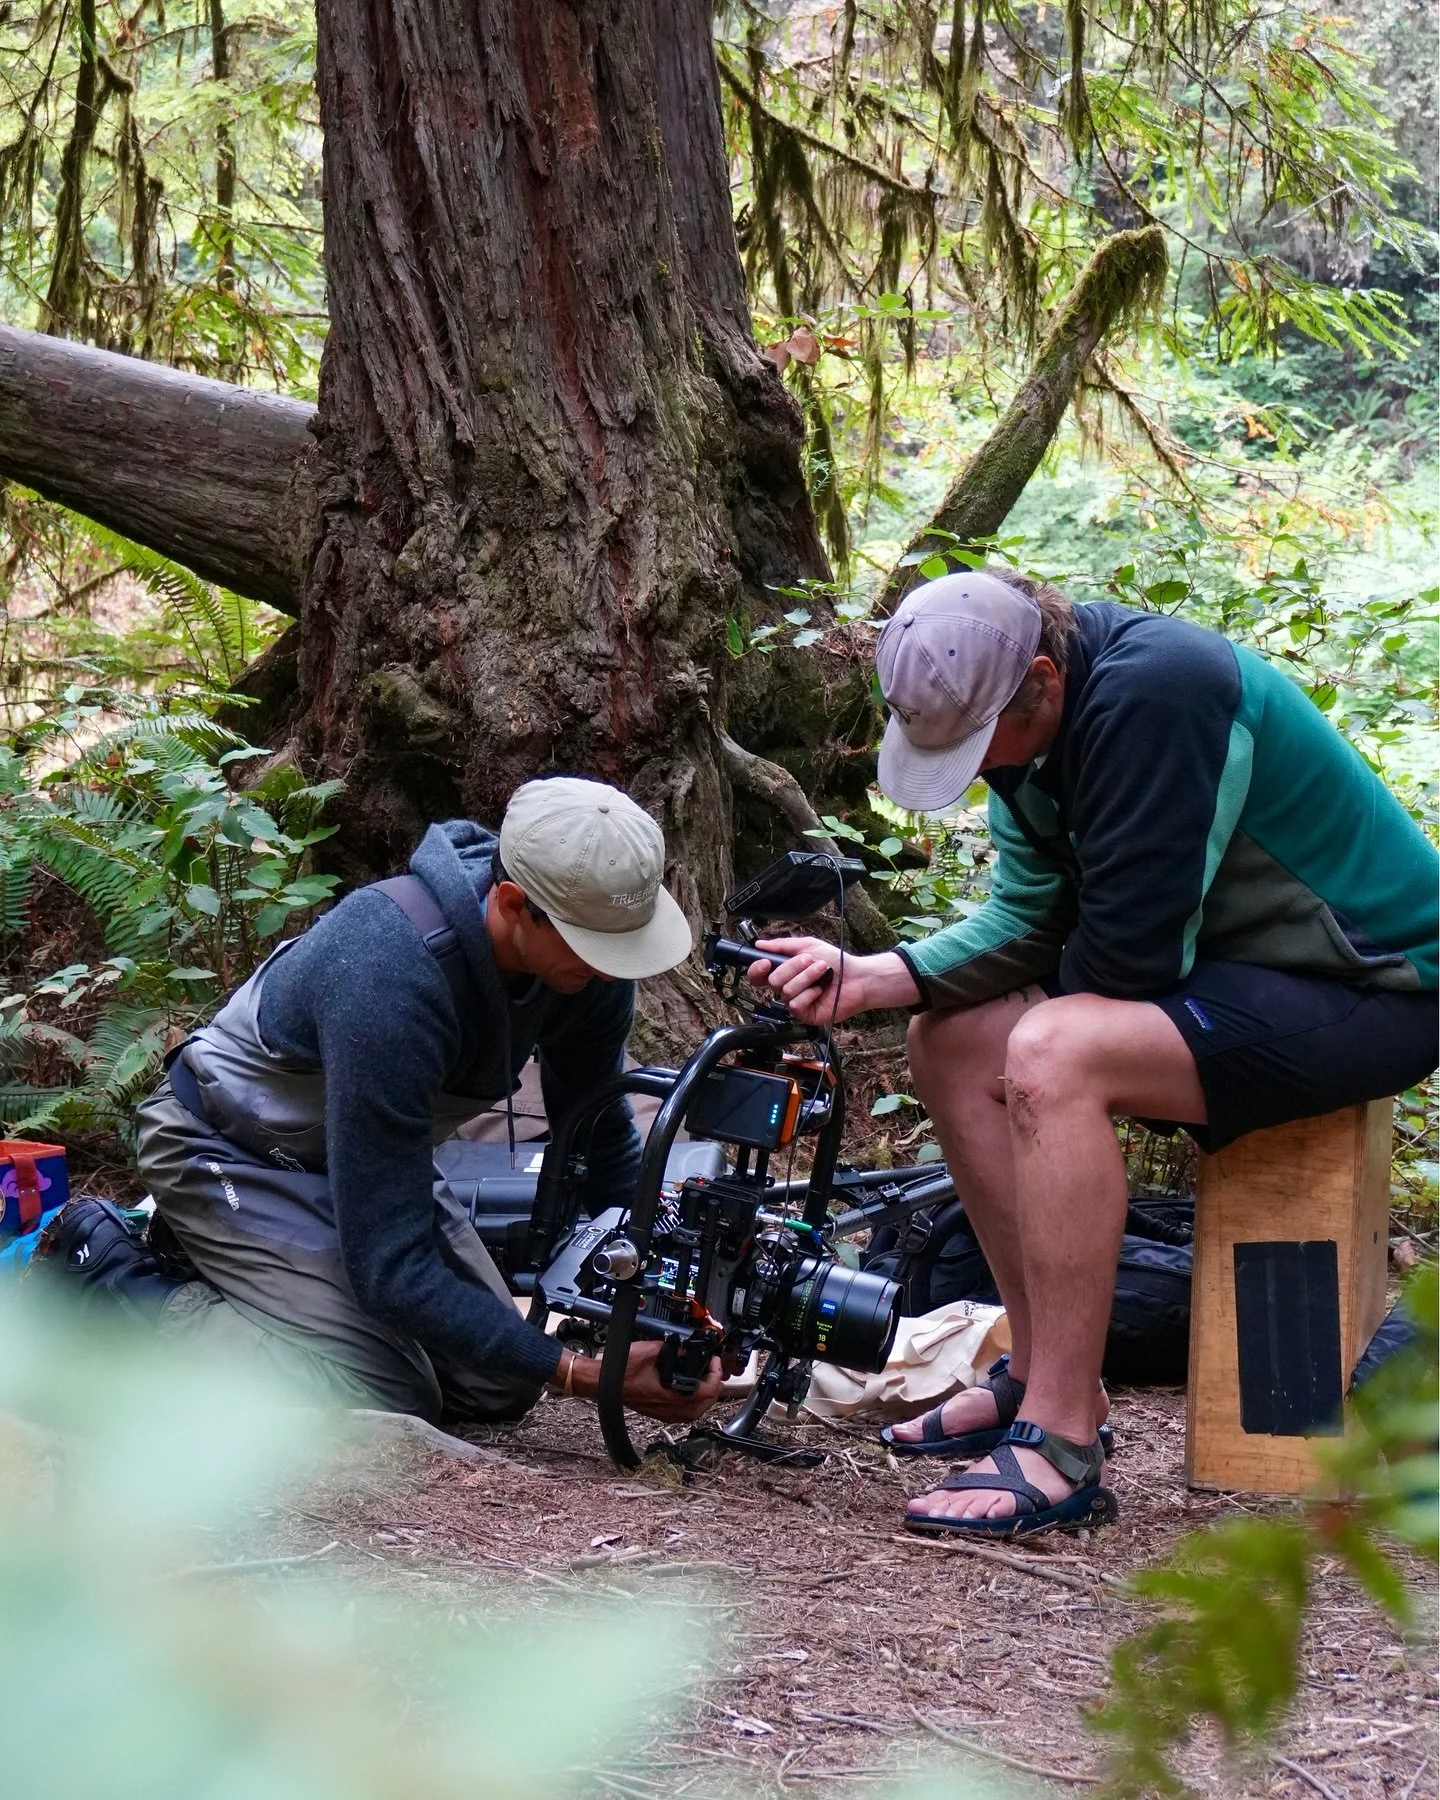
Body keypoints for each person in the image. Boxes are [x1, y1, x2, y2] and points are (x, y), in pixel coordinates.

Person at [752, 568, 1439, 1538]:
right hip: (1238, 975)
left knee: (1051, 1052)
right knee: (949, 1043)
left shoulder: (1160, 696)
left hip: (1376, 987)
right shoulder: (1030, 729)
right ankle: (1037, 1372)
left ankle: (1064, 1441)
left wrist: (1026, 1018)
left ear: (1041, 679)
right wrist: (877, 975)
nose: (976, 771)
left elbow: (1129, 962)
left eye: (979, 747)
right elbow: (1030, 915)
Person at [36, 776, 723, 1432]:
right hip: (219, 1146)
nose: (610, 968)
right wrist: (578, 1372)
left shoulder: (586, 959)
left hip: (351, 1157)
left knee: (498, 1382)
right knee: (385, 1389)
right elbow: (391, 1271)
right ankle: (111, 1276)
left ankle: (252, 1280)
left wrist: (670, 1287)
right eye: (593, 948)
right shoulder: (390, 977)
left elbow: (597, 1131)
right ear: (514, 905)